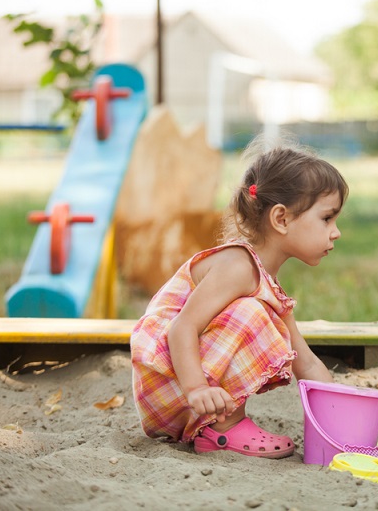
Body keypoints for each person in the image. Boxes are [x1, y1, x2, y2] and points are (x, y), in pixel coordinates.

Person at [131, 140, 348, 459]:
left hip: (189, 386)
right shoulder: (238, 267)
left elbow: (307, 361)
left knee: (268, 318)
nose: (336, 232)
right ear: (282, 220)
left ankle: (218, 423)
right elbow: (181, 329)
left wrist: (342, 414)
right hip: (170, 379)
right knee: (253, 314)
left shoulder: (266, 283)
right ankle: (221, 429)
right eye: (327, 219)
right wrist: (197, 389)